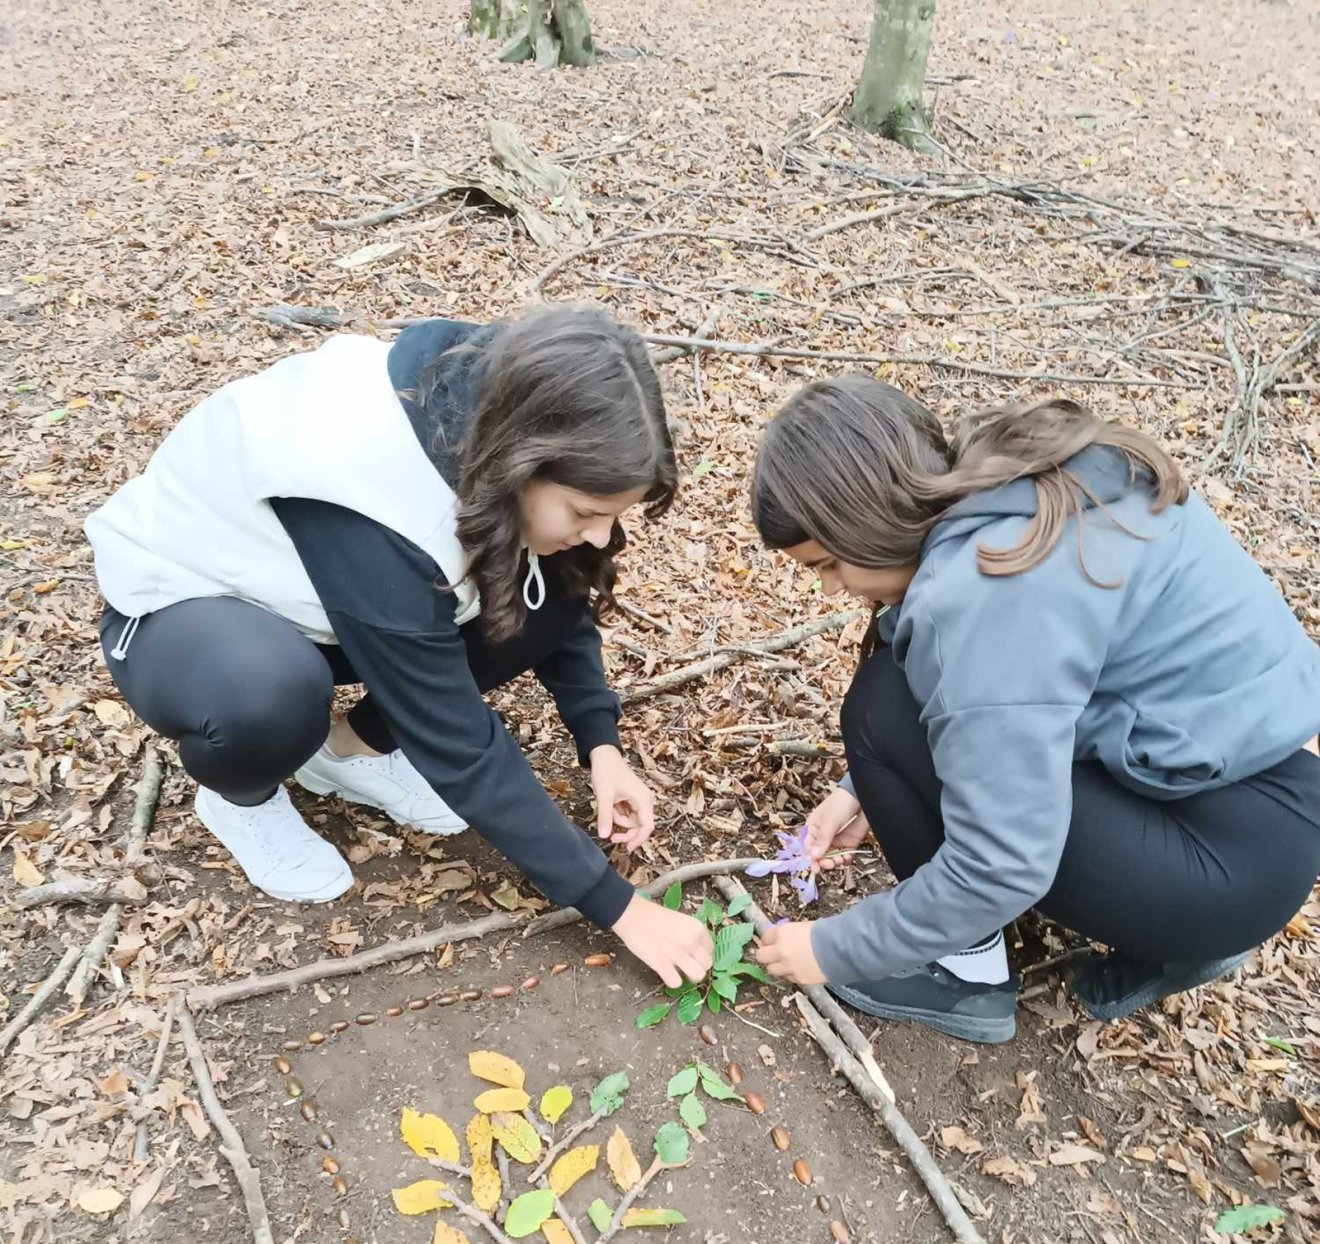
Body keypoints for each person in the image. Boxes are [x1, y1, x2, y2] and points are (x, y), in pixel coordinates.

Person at [87, 306, 712, 990]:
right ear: (522, 463)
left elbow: (560, 595)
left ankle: (343, 753)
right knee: (270, 695)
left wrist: (601, 744)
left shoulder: (491, 413)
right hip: (179, 611)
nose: (600, 535)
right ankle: (241, 795)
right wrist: (619, 907)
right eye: (586, 512)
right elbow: (458, 741)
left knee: (540, 590)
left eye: (613, 515)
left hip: (317, 601)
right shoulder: (370, 490)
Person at [749, 379, 1320, 1043]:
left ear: (864, 519)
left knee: (879, 709)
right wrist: (859, 791)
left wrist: (829, 947)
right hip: (1262, 799)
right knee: (895, 701)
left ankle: (968, 976)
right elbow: (1029, 694)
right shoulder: (1015, 478)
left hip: (1224, 863)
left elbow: (1002, 863)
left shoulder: (982, 596)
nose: (830, 588)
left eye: (827, 563)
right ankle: (1178, 934)